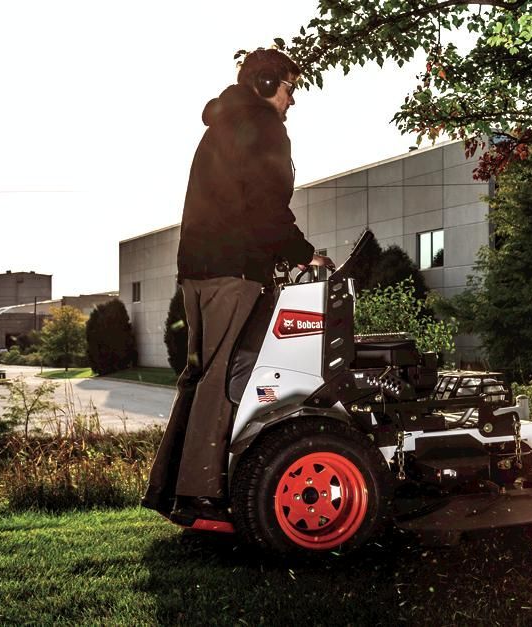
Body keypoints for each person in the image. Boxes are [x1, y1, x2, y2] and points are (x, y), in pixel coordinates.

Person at [142, 47, 333, 525]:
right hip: (234, 270)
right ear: (266, 83)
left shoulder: (219, 126)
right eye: (290, 88)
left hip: (198, 269)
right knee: (227, 380)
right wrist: (304, 254)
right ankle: (201, 496)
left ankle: (168, 488)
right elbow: (266, 207)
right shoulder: (265, 127)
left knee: (199, 376)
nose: (293, 100)